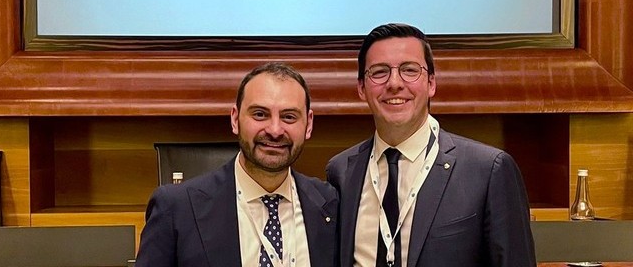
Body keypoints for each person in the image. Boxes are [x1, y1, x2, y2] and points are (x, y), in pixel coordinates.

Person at [326, 23, 536, 267]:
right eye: (379, 72)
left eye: (410, 70)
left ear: (431, 83)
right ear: (362, 88)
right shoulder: (341, 172)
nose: (394, 83)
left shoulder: (488, 171)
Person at [135, 62, 339, 267]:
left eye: (289, 117)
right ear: (235, 119)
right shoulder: (176, 208)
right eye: (260, 114)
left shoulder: (331, 204)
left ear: (308, 124)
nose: (275, 130)